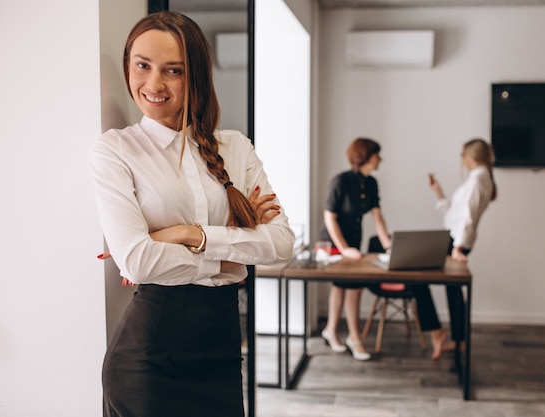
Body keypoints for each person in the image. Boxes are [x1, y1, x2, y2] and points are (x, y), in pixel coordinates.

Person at [91, 11, 294, 417]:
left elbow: (282, 245)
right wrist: (231, 248)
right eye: (142, 66)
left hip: (221, 347)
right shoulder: (115, 150)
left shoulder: (235, 148)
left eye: (173, 70)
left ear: (196, 75)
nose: (154, 84)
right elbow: (137, 260)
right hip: (147, 357)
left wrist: (187, 234)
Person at [319, 138, 392, 361]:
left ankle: (331, 330)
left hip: (354, 241)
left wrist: (388, 245)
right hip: (335, 242)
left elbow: (377, 217)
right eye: (376, 154)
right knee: (351, 286)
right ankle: (354, 337)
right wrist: (343, 249)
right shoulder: (341, 181)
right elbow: (329, 218)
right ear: (365, 157)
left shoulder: (371, 183)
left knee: (346, 286)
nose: (380, 158)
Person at [428, 137, 497, 352]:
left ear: (470, 157)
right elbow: (456, 214)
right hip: (456, 239)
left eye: (462, 155)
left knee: (426, 280)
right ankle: (459, 340)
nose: (461, 159)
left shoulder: (478, 179)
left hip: (456, 241)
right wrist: (438, 192)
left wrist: (457, 248)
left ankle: (441, 333)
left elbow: (468, 217)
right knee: (454, 290)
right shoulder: (478, 178)